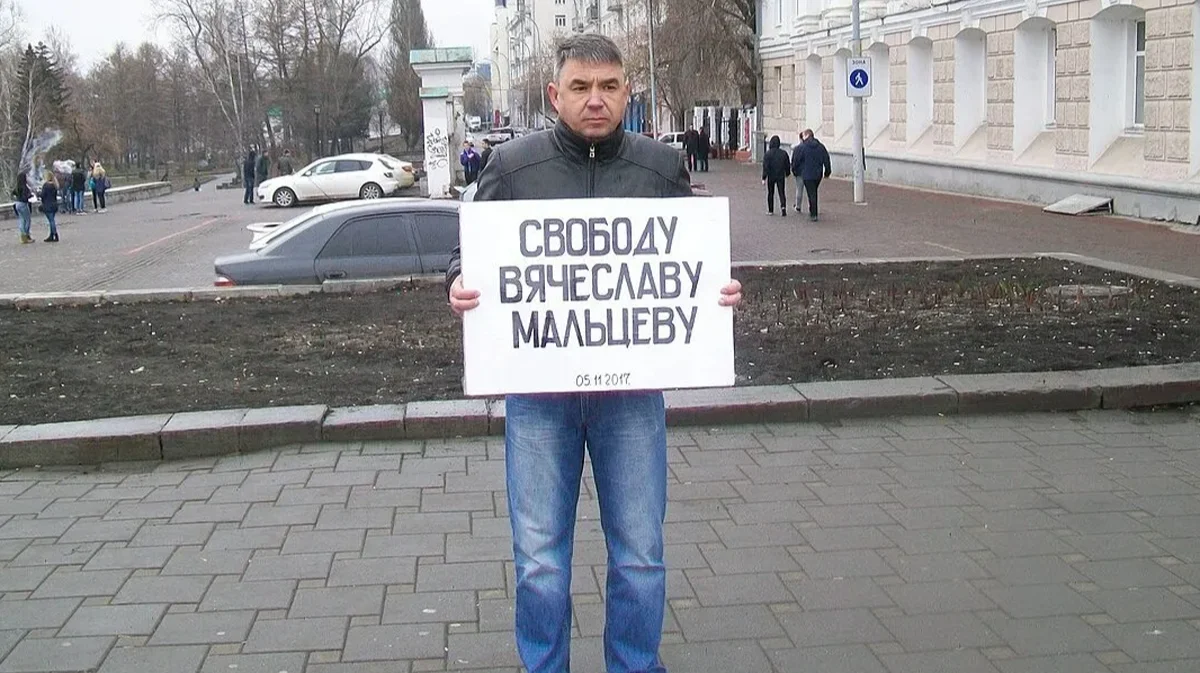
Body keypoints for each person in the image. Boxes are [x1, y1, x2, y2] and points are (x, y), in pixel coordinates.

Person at [444, 33, 742, 673]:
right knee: (540, 561)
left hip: (630, 396)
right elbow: (469, 250)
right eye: (581, 87)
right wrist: (459, 281)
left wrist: (718, 290)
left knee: (640, 555)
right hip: (539, 393)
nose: (595, 100)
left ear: (628, 92)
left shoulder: (660, 167)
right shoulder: (511, 167)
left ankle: (635, 665)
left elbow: (687, 259)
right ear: (555, 95)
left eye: (609, 86)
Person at [791, 128, 832, 221]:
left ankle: (813, 213)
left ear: (806, 135)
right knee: (813, 192)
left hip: (807, 174)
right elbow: (826, 159)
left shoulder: (801, 147)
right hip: (818, 174)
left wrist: (794, 170)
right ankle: (813, 211)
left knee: (811, 193)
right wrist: (827, 172)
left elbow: (796, 160)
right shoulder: (821, 147)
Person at [761, 135, 790, 217]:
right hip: (780, 175)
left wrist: (764, 177)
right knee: (781, 192)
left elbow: (765, 167)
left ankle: (771, 210)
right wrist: (787, 173)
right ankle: (783, 207)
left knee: (771, 193)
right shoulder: (784, 153)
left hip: (771, 175)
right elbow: (787, 165)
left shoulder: (768, 154)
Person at [10, 171, 33, 244]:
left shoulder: (17, 186)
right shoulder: (24, 187)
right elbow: (25, 197)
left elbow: (12, 193)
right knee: (27, 220)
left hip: (17, 204)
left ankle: (22, 235)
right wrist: (30, 196)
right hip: (23, 204)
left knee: (22, 219)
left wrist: (16, 198)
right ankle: (26, 235)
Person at [38, 171, 60, 242]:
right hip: (54, 204)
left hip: (47, 205)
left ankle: (55, 234)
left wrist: (38, 194)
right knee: (52, 220)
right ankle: (51, 235)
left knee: (51, 221)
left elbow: (43, 195)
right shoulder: (55, 185)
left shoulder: (46, 185)